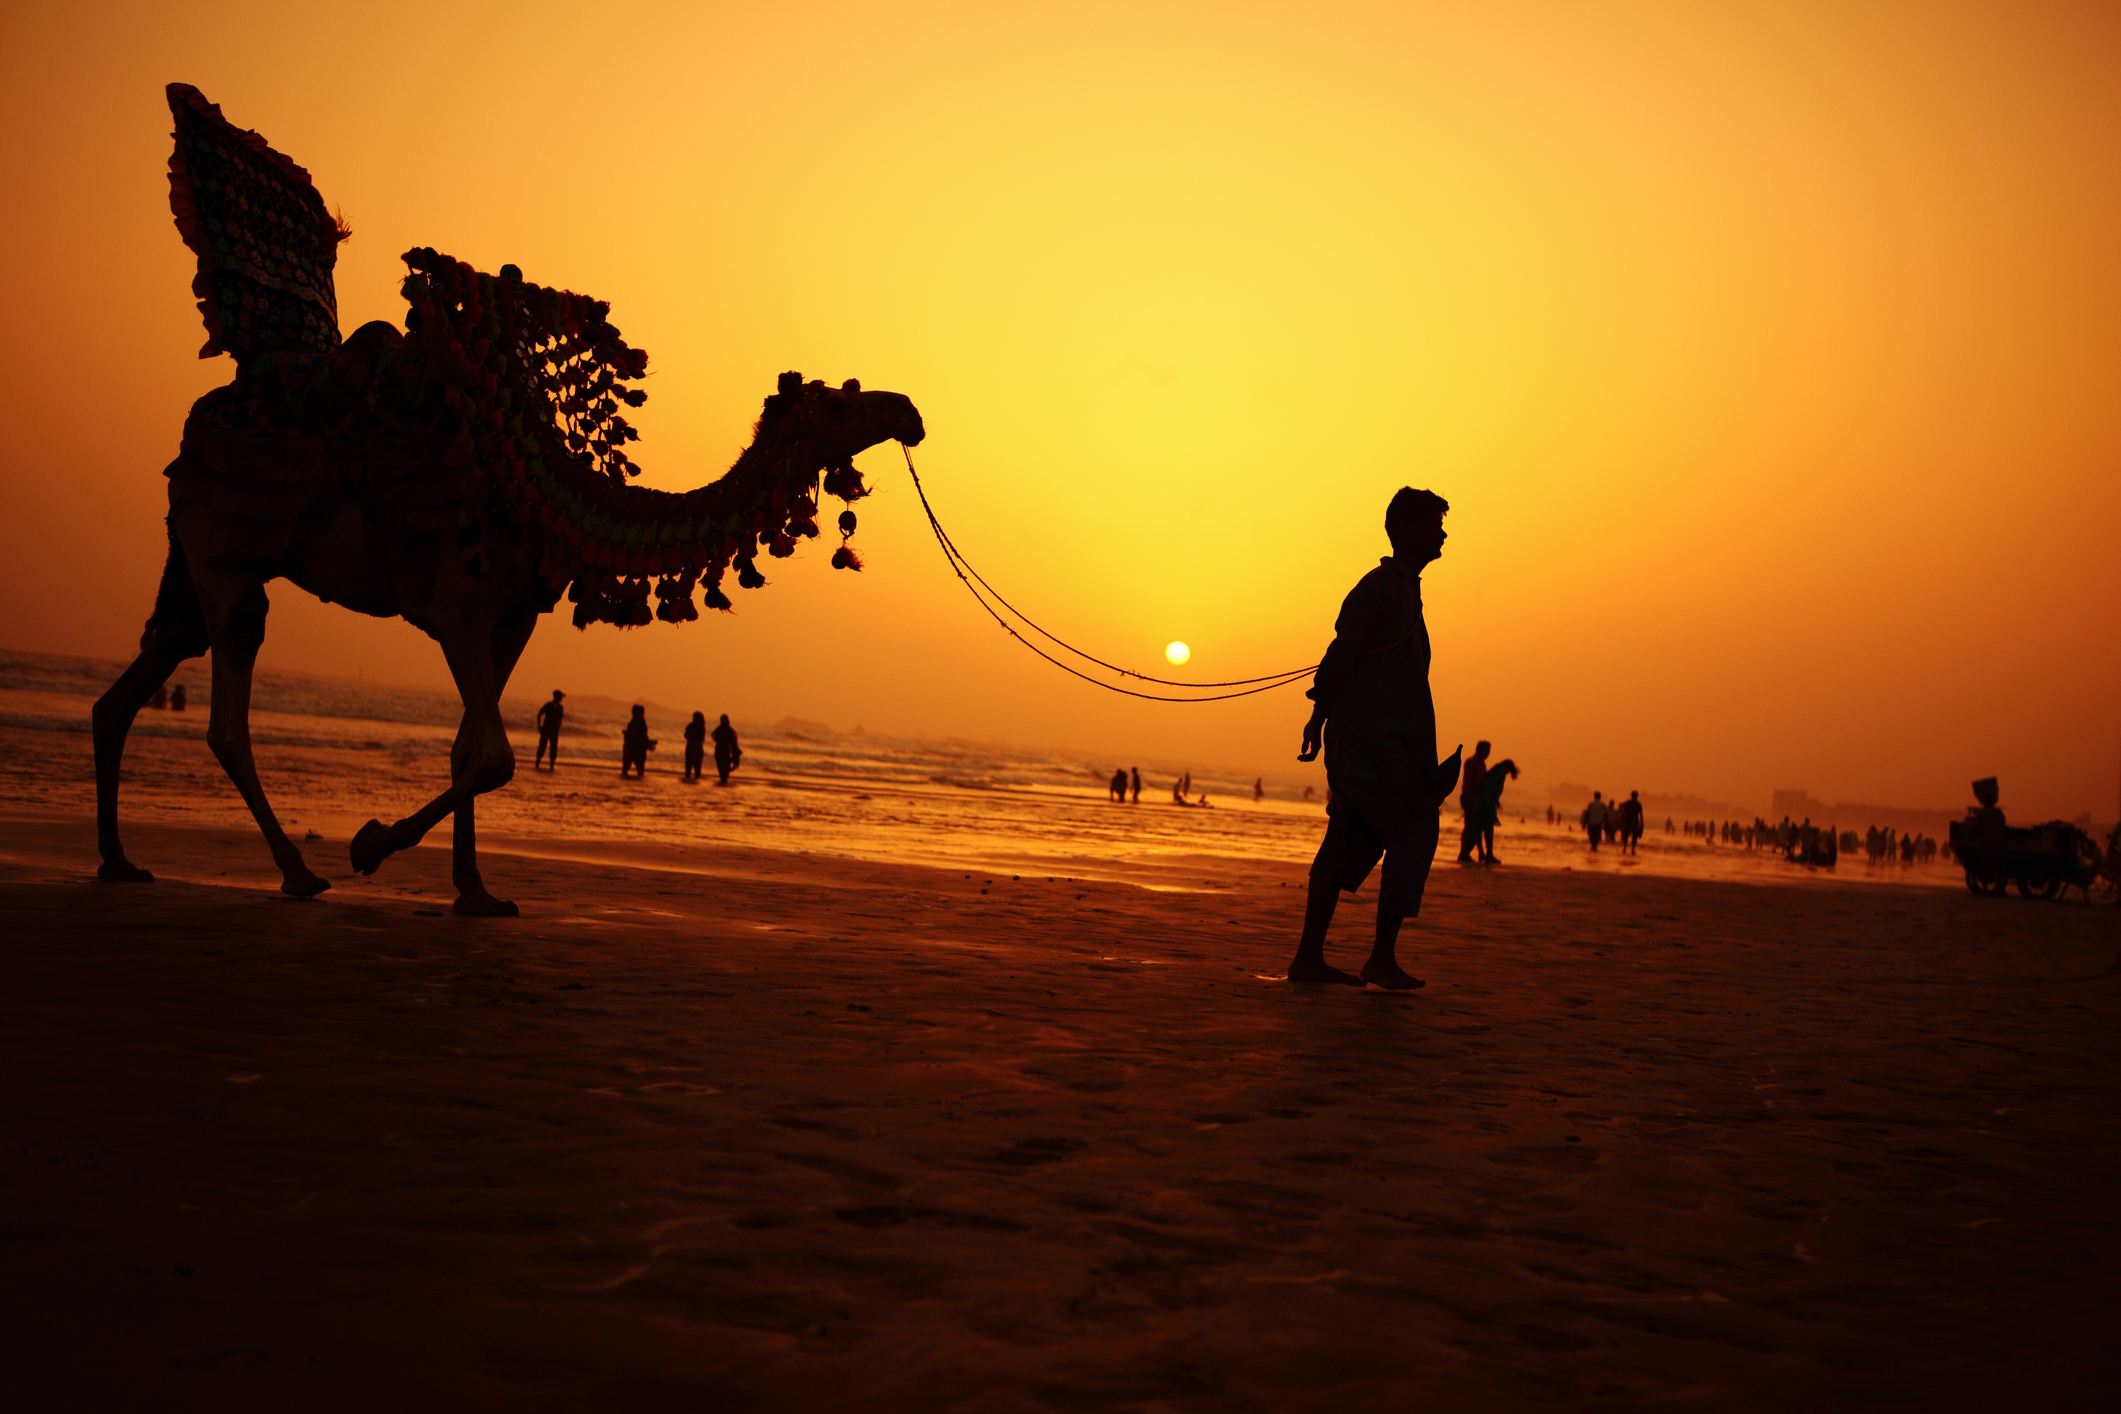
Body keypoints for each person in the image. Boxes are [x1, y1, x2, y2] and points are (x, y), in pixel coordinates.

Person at [1286, 486, 1460, 991]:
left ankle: (1342, 958)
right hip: (1369, 744)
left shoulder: (1405, 589)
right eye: (1432, 524)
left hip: (1395, 745)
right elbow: (1342, 653)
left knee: (1365, 835)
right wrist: (1319, 715)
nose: (1441, 533)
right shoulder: (1379, 588)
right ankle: (1356, 959)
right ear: (1406, 529)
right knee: (1388, 832)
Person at [1461, 755, 1519, 863]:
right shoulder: (1500, 773)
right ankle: (1474, 853)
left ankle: (1479, 853)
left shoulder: (1495, 771)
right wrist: (1491, 799)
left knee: (1481, 829)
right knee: (1481, 829)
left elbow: (1485, 785)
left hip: (1483, 803)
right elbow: (1492, 788)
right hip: (1486, 805)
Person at [1456, 741, 1492, 863]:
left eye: (1488, 752)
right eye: (1486, 751)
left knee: (1477, 826)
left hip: (1478, 800)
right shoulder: (1471, 762)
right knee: (1469, 826)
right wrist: (1471, 800)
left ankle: (1481, 853)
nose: (1487, 754)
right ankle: (1463, 852)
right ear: (1479, 750)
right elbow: (1466, 783)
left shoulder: (1482, 765)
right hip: (1469, 798)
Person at [620, 705, 656, 778]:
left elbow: (638, 734)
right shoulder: (641, 721)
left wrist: (627, 732)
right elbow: (643, 735)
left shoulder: (637, 721)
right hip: (638, 748)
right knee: (639, 767)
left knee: (627, 767)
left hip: (633, 747)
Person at [534, 690, 565, 770]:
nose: (561, 698)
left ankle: (551, 766)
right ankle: (537, 764)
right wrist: (539, 727)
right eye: (560, 696)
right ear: (556, 696)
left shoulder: (560, 707)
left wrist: (558, 728)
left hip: (554, 731)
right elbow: (539, 715)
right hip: (546, 729)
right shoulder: (548, 705)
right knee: (542, 747)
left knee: (553, 749)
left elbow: (560, 719)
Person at [711, 714, 741, 785]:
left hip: (726, 750)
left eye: (724, 719)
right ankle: (722, 778)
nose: (722, 721)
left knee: (725, 764)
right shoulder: (719, 728)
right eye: (721, 719)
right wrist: (717, 740)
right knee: (719, 764)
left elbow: (733, 741)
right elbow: (713, 735)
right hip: (718, 749)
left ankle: (724, 778)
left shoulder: (730, 730)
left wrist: (735, 751)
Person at [683, 711, 707, 783]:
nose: (694, 718)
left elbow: (686, 735)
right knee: (691, 764)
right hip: (694, 746)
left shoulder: (696, 726)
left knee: (694, 765)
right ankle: (692, 778)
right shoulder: (698, 726)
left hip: (695, 747)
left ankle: (692, 777)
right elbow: (686, 735)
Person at [1619, 790, 1644, 855]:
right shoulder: (1638, 804)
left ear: (1631, 795)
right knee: (1634, 835)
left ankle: (1624, 848)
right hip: (1635, 822)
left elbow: (1624, 812)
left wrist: (1621, 821)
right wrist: (1642, 823)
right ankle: (1632, 849)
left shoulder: (1628, 803)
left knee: (1626, 835)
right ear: (1637, 796)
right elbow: (1641, 815)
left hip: (1628, 821)